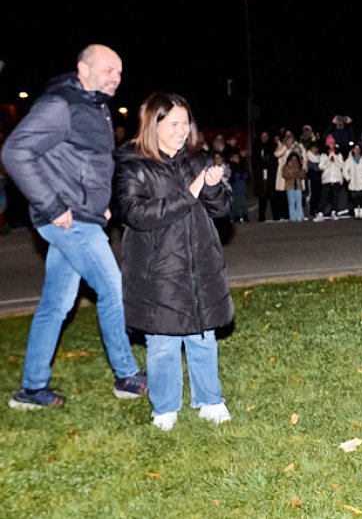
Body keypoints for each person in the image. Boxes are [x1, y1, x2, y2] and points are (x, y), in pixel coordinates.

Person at [1, 44, 147, 409]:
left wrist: (104, 206)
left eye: (120, 72)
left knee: (56, 304)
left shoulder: (95, 106)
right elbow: (14, 153)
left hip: (85, 216)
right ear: (83, 69)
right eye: (109, 69)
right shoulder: (60, 105)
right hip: (68, 220)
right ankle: (126, 375)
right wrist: (52, 205)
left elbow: (89, 164)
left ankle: (31, 389)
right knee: (113, 287)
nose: (116, 77)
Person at [114, 92, 233, 431]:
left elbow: (222, 208)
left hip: (199, 263)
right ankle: (165, 407)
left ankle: (210, 400)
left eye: (186, 123)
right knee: (163, 341)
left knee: (202, 336)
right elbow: (137, 214)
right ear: (154, 125)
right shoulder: (133, 165)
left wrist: (211, 186)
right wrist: (190, 192)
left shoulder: (196, 161)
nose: (183, 131)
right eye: (174, 124)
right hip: (157, 269)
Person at [343, 142, 362, 220]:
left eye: (358, 149)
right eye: (355, 149)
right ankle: (356, 214)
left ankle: (361, 213)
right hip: (353, 183)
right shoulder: (349, 160)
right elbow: (345, 170)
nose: (357, 150)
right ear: (353, 150)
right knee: (355, 199)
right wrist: (348, 178)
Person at [316, 140, 345, 221]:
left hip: (336, 178)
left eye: (332, 143)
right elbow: (321, 167)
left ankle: (334, 212)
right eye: (330, 144)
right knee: (324, 196)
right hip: (327, 178)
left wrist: (335, 158)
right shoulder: (323, 155)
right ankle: (320, 213)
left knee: (335, 196)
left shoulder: (339, 154)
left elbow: (342, 165)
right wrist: (329, 159)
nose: (331, 145)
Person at [281, 152, 306, 221]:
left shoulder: (300, 166)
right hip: (290, 186)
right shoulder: (286, 166)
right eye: (292, 159)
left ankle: (300, 215)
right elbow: (285, 175)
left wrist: (298, 173)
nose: (294, 161)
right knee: (291, 202)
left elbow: (302, 175)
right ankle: (292, 216)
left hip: (298, 186)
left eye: (295, 159)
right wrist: (295, 173)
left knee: (299, 202)